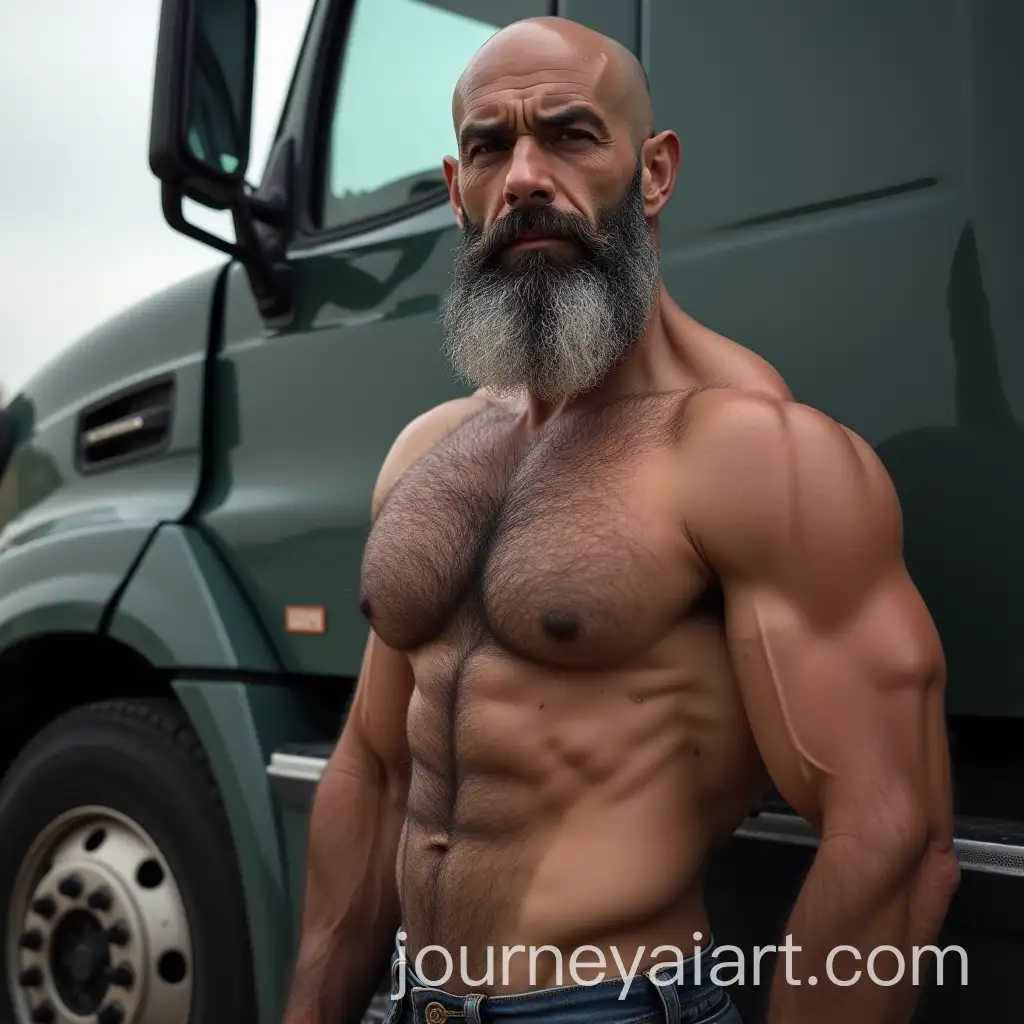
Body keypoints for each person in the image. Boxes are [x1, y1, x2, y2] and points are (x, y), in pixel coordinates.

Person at [282, 16, 960, 1024]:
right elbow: (375, 772)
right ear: (456, 189)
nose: (523, 175)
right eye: (489, 147)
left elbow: (893, 841)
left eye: (568, 135)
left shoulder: (750, 452)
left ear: (653, 173)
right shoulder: (426, 454)